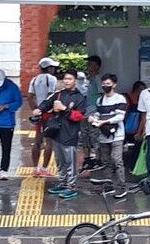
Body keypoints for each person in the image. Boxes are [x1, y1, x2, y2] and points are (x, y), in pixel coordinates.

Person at [34, 69, 86, 199]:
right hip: (57, 132)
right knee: (59, 160)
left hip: (70, 134)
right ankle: (62, 183)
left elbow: (78, 116)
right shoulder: (58, 94)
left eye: (70, 79)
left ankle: (71, 186)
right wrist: (39, 109)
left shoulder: (79, 97)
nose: (67, 81)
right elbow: (46, 103)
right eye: (65, 79)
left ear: (75, 81)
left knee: (70, 161)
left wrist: (64, 109)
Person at [90, 73, 127, 197]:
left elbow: (120, 116)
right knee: (105, 161)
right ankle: (108, 185)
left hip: (117, 135)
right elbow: (97, 114)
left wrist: (104, 122)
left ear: (114, 85)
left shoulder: (120, 99)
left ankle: (122, 186)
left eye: (108, 84)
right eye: (104, 84)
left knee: (117, 160)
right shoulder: (99, 100)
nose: (105, 86)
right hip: (103, 135)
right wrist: (93, 119)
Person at [28, 57, 59, 177]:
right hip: (49, 113)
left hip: (39, 113)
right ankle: (45, 168)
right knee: (49, 141)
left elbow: (30, 97)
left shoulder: (34, 79)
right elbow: (52, 96)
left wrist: (36, 110)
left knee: (37, 140)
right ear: (49, 68)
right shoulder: (52, 79)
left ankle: (35, 168)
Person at [78, 55, 103, 174]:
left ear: (97, 66)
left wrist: (96, 113)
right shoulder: (87, 79)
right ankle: (87, 160)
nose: (88, 66)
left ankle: (98, 160)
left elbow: (101, 96)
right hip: (84, 113)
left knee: (95, 138)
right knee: (84, 138)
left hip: (94, 114)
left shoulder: (98, 79)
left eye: (91, 64)